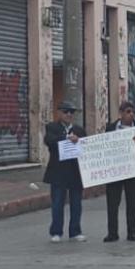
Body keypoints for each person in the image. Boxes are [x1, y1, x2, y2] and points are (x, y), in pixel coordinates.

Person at [104, 101, 135, 242]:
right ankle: (112, 233)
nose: (131, 115)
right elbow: (105, 147)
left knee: (132, 203)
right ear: (121, 113)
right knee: (112, 203)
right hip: (115, 171)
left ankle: (132, 232)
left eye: (133, 112)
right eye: (128, 112)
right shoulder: (111, 128)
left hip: (132, 171)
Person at [43, 101, 87, 243]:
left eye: (71, 112)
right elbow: (49, 141)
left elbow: (87, 146)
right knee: (57, 203)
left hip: (75, 172)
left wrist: (79, 140)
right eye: (66, 111)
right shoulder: (52, 127)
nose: (68, 114)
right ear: (59, 113)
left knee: (76, 203)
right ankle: (56, 232)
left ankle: (75, 231)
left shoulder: (79, 130)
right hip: (58, 172)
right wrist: (67, 138)